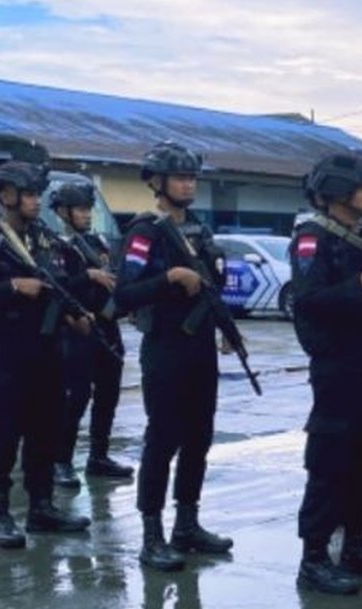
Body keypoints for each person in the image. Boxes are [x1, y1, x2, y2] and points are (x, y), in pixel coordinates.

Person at [0, 161, 92, 549]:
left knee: (44, 434)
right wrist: (12, 287)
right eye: (29, 194)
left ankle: (42, 507)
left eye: (37, 194)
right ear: (5, 196)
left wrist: (75, 314)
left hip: (47, 352)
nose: (36, 201)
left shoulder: (45, 241)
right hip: (4, 356)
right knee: (2, 439)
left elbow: (61, 284)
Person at [115, 141, 234, 572]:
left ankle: (188, 522)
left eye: (192, 178)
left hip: (200, 347)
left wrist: (225, 330)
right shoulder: (144, 233)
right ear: (157, 183)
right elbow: (124, 292)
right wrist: (168, 277)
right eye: (180, 177)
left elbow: (213, 285)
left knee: (199, 438)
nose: (188, 184)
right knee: (163, 438)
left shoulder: (199, 230)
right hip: (165, 346)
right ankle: (152, 534)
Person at [290, 149, 362, 596]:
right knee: (332, 460)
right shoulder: (312, 238)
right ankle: (314, 556)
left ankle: (358, 544)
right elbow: (309, 299)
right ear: (338, 191)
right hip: (340, 366)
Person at [50, 181, 132, 488]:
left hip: (106, 326)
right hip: (76, 328)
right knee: (76, 397)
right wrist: (87, 274)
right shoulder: (57, 246)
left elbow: (114, 276)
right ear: (63, 212)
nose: (87, 215)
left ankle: (99, 455)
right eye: (81, 209)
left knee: (108, 394)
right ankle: (61, 459)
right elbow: (56, 286)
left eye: (88, 209)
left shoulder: (96, 243)